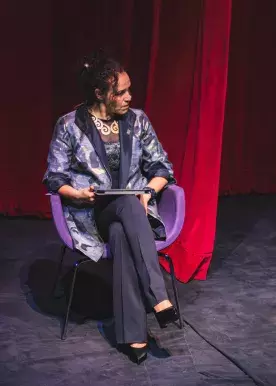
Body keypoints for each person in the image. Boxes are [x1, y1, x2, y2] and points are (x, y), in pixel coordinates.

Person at [43, 51, 180, 364]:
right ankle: (158, 297)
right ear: (100, 94)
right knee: (123, 210)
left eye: (129, 89)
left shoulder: (138, 121)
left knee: (122, 227)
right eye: (120, 92)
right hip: (91, 214)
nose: (128, 96)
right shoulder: (69, 125)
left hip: (133, 213)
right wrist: (76, 194)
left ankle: (134, 337)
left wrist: (148, 192)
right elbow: (54, 177)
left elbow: (162, 168)